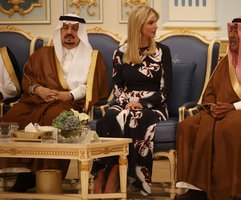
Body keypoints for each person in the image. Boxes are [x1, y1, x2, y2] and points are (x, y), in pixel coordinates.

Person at [174, 16, 241, 200]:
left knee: (230, 127)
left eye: (236, 31)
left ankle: (229, 191)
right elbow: (211, 91)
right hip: (220, 110)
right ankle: (194, 188)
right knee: (188, 126)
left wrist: (233, 107)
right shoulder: (227, 60)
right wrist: (214, 106)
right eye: (230, 30)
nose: (231, 36)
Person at [0, 14, 109, 192]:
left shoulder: (92, 57)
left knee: (54, 120)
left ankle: (43, 174)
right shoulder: (43, 53)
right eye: (65, 28)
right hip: (37, 101)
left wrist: (70, 95)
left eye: (74, 29)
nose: (69, 32)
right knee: (11, 118)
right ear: (59, 30)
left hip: (69, 104)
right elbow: (28, 78)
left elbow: (92, 86)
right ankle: (22, 172)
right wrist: (38, 90)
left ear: (80, 32)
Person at [91, 5, 172, 196]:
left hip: (154, 105)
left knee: (137, 117)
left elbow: (165, 89)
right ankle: (104, 173)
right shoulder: (120, 52)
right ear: (138, 25)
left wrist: (141, 103)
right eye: (151, 22)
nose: (155, 27)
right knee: (109, 117)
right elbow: (117, 86)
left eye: (155, 22)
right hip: (125, 102)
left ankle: (122, 180)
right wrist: (126, 101)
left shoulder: (163, 51)